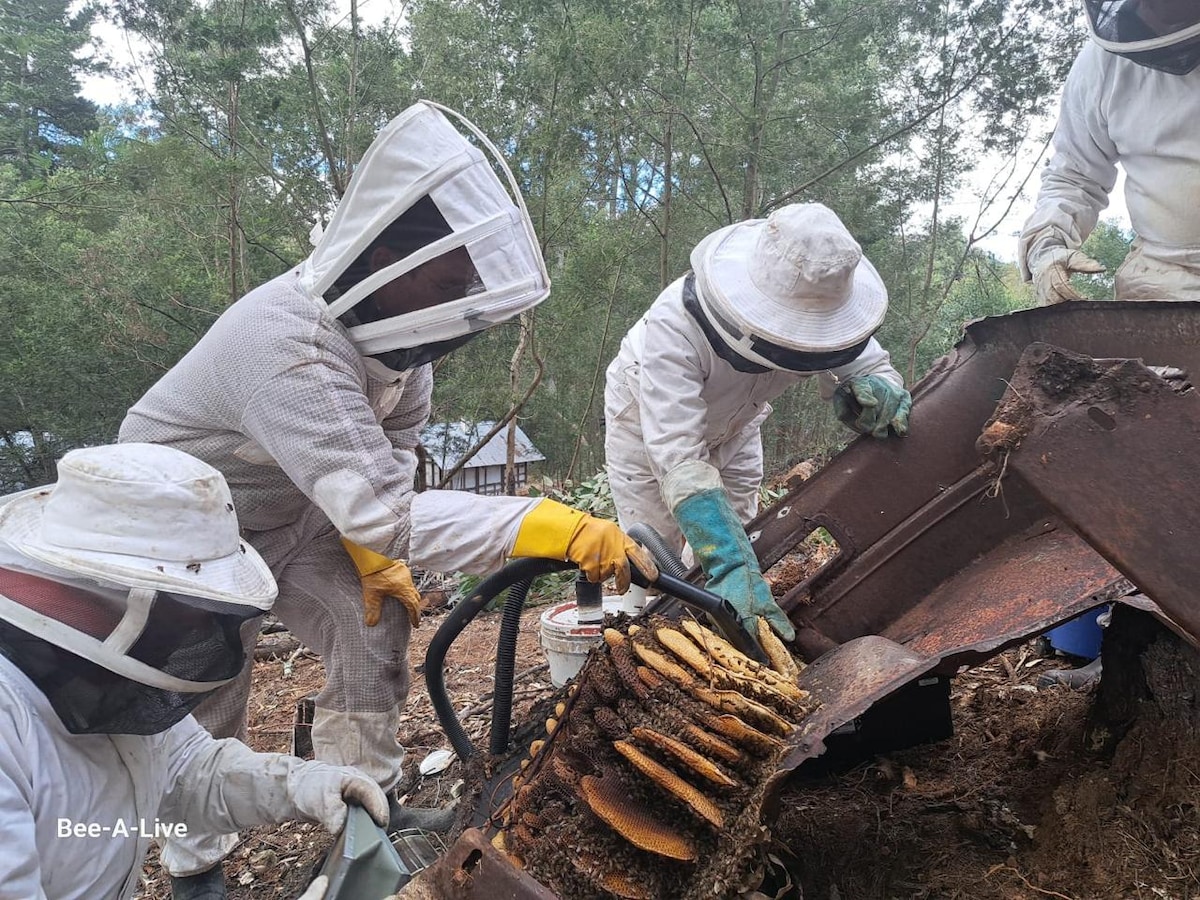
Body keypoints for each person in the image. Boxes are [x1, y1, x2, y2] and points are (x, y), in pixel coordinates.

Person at [119, 101, 655, 899]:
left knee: (375, 623)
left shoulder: (398, 348)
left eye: (465, 289)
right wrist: (553, 525)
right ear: (382, 266)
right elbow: (389, 513)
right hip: (175, 536)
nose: (457, 307)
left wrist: (371, 558)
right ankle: (199, 869)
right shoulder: (287, 344)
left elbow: (392, 464)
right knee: (206, 697)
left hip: (293, 516)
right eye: (446, 285)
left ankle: (362, 815)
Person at [0, 442, 389, 900]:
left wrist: (302, 785)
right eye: (184, 607)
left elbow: (188, 771)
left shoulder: (110, 676)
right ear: (102, 592)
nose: (194, 628)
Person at [603, 202, 910, 638]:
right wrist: (725, 559)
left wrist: (879, 392)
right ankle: (648, 639)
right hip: (646, 425)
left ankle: (729, 629)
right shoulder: (672, 329)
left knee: (743, 530)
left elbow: (871, 364)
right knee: (654, 553)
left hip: (740, 426)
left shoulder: (825, 294)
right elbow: (678, 457)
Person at [1019, 0, 1200, 305]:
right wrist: (1047, 245)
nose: (1154, 14)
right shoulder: (1102, 65)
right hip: (1165, 279)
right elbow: (1074, 177)